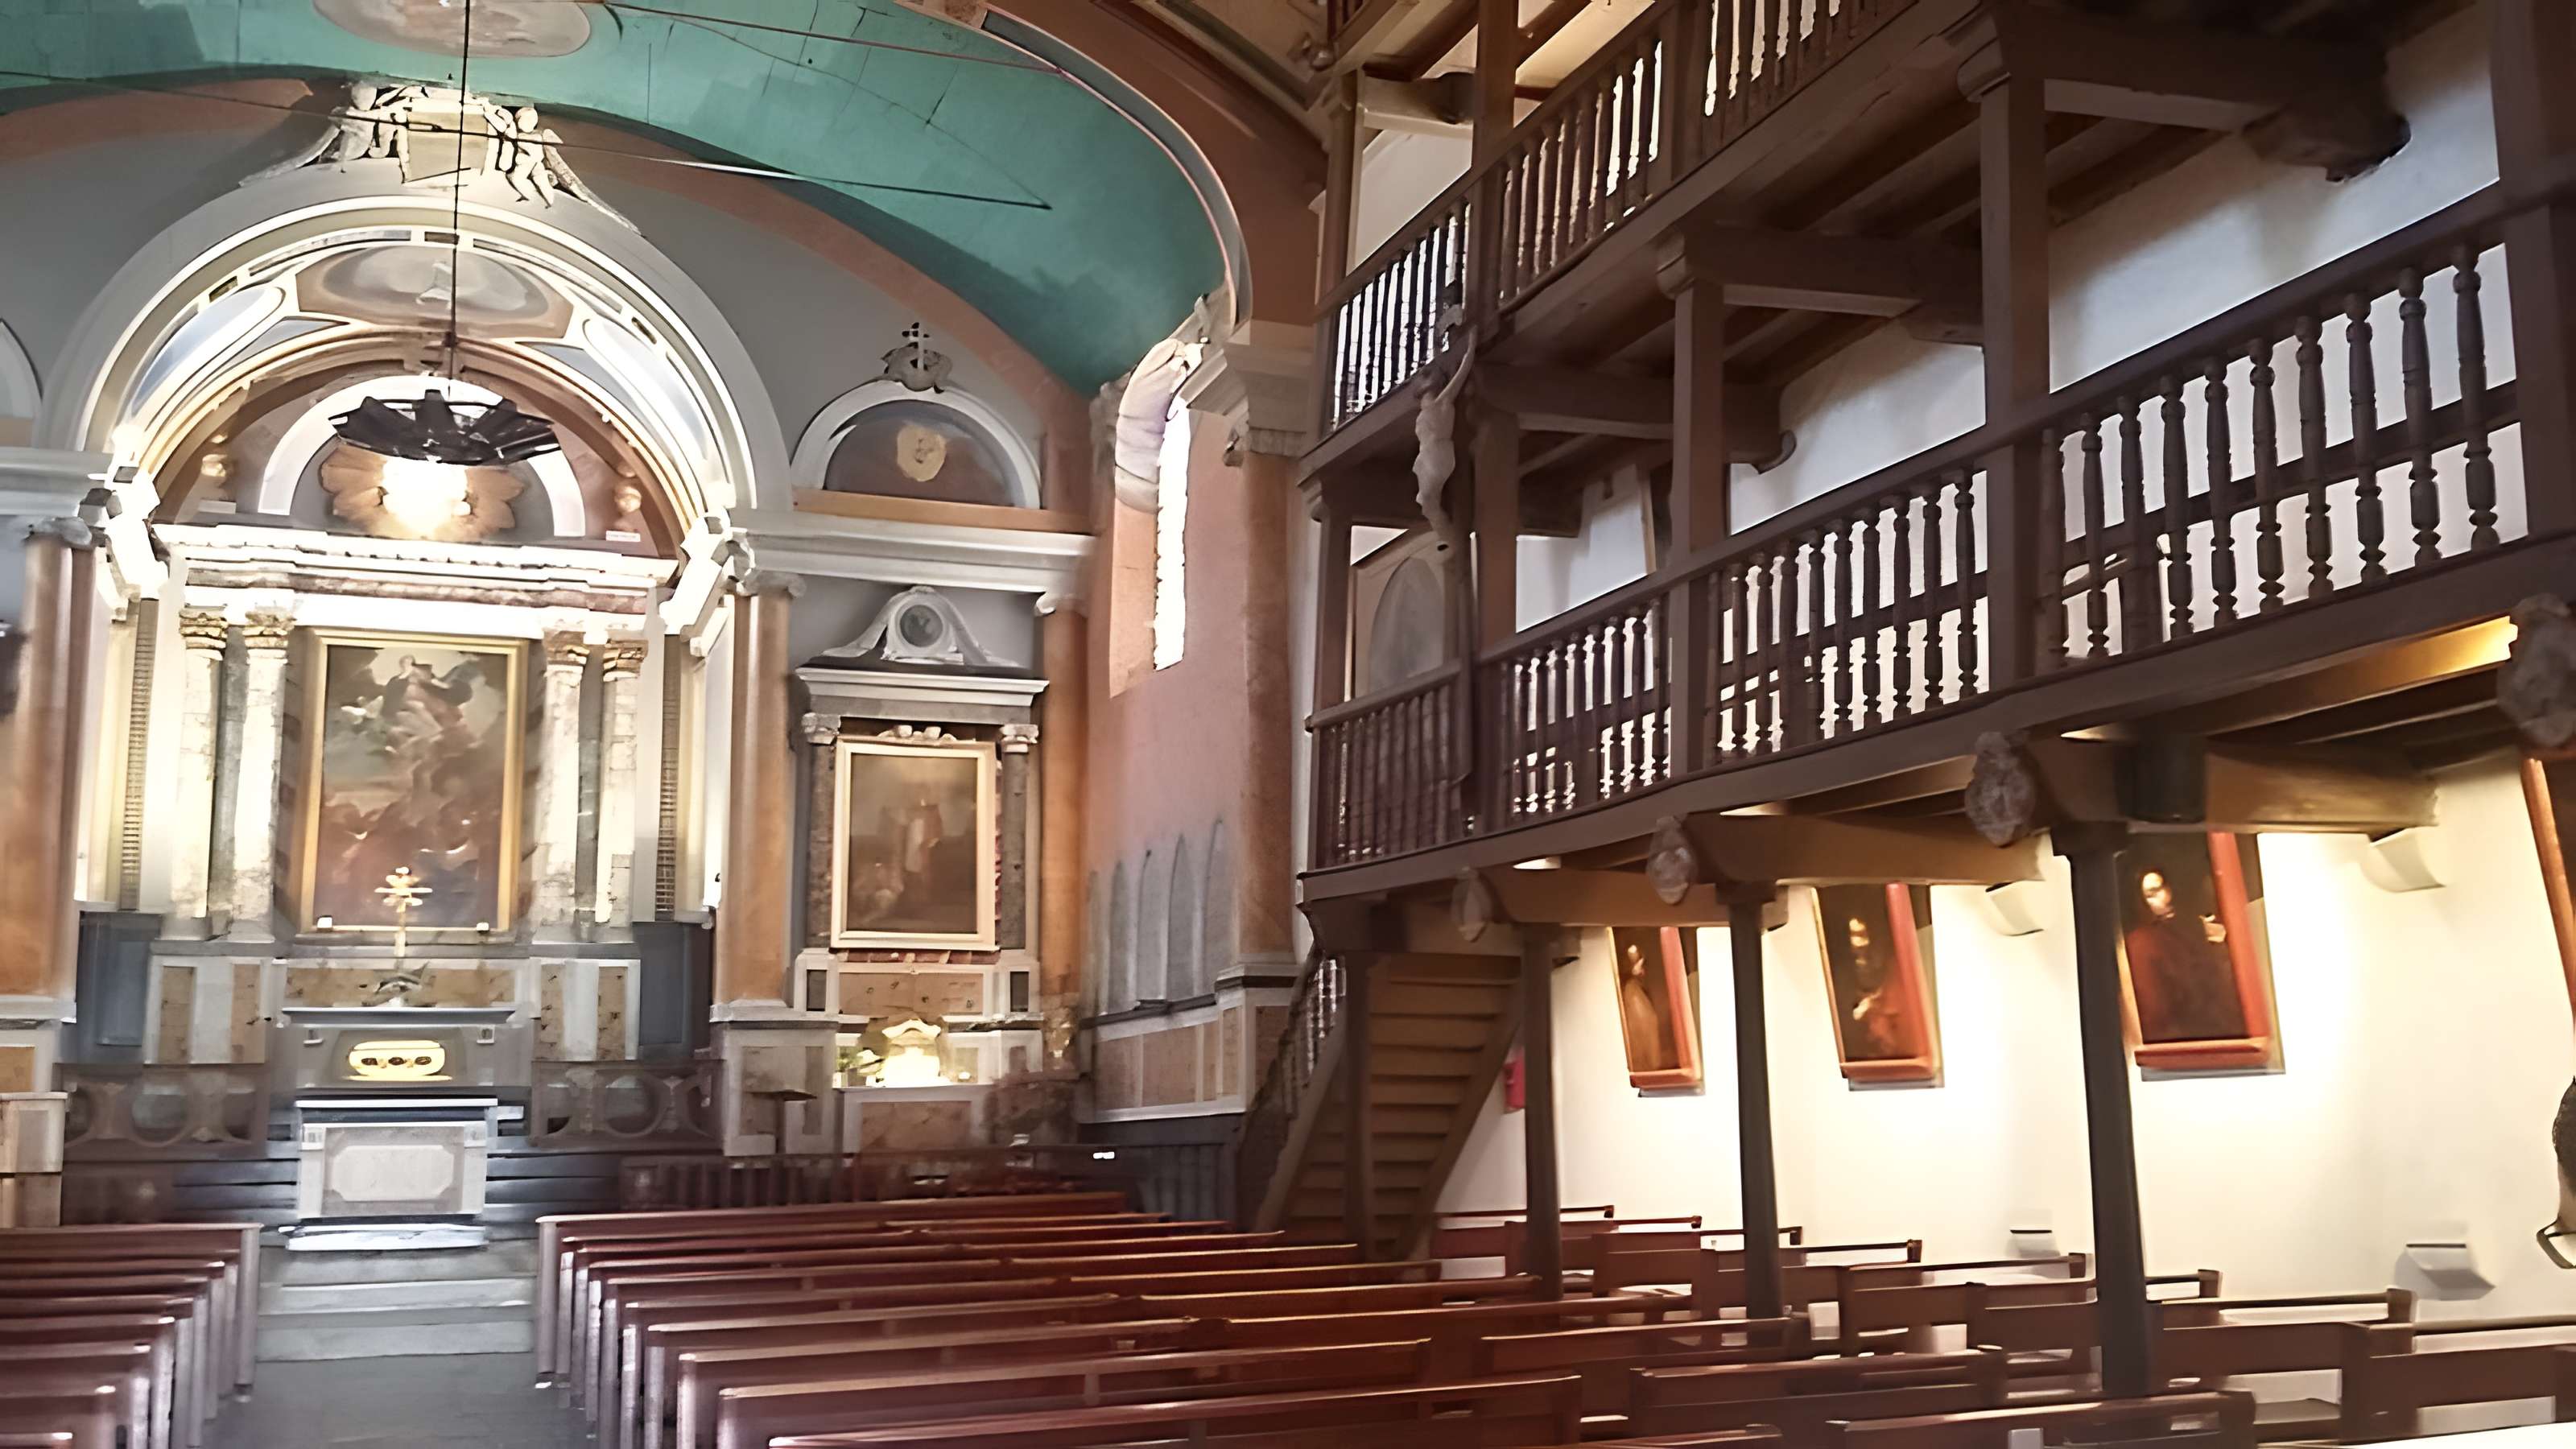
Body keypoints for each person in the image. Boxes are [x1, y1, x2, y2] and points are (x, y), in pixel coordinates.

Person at [2123, 866, 2248, 1041]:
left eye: (2165, 887)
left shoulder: (2188, 930)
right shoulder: (2141, 943)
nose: (2165, 898)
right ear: (2140, 901)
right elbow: (2156, 1015)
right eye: (2152, 894)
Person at [1840, 913, 1912, 1059]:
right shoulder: (1843, 973)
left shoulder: (1882, 965)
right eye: (1857, 936)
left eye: (1865, 935)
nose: (1863, 942)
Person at [1619, 940, 1676, 1072]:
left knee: (1650, 1022)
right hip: (1633, 994)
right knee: (1644, 1024)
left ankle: (1651, 1061)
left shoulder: (1640, 978)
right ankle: (1646, 1062)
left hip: (1637, 993)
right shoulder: (1630, 988)